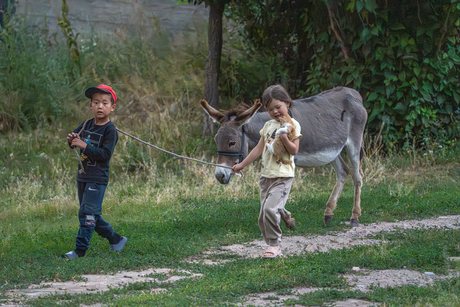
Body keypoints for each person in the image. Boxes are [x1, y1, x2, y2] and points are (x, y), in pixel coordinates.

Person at [232, 85, 302, 259]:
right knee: (263, 215)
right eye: (270, 109)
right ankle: (282, 213)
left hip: (283, 176)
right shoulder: (268, 125)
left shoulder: (293, 125)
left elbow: (294, 151)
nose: (275, 112)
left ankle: (274, 245)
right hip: (266, 177)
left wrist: (284, 137)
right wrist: (242, 164)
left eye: (278, 107)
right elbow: (258, 148)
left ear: (287, 103)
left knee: (270, 210)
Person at [62, 84, 127, 260]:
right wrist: (72, 140)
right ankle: (116, 239)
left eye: (105, 103)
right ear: (90, 105)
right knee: (90, 213)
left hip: (97, 178)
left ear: (112, 107)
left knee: (87, 214)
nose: (100, 106)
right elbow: (75, 140)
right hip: (83, 176)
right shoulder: (86, 124)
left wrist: (85, 145)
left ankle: (80, 251)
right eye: (96, 102)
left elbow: (105, 154)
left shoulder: (110, 130)